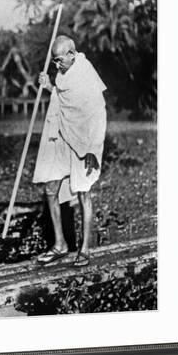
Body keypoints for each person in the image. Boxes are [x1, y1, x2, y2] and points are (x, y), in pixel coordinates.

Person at [32, 35, 107, 266]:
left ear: (72, 55)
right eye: (53, 61)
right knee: (50, 188)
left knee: (83, 192)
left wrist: (94, 149)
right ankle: (60, 244)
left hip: (83, 142)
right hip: (62, 135)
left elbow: (99, 113)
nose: (56, 65)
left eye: (59, 60)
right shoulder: (63, 74)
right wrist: (48, 86)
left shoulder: (86, 74)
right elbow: (63, 99)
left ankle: (84, 249)